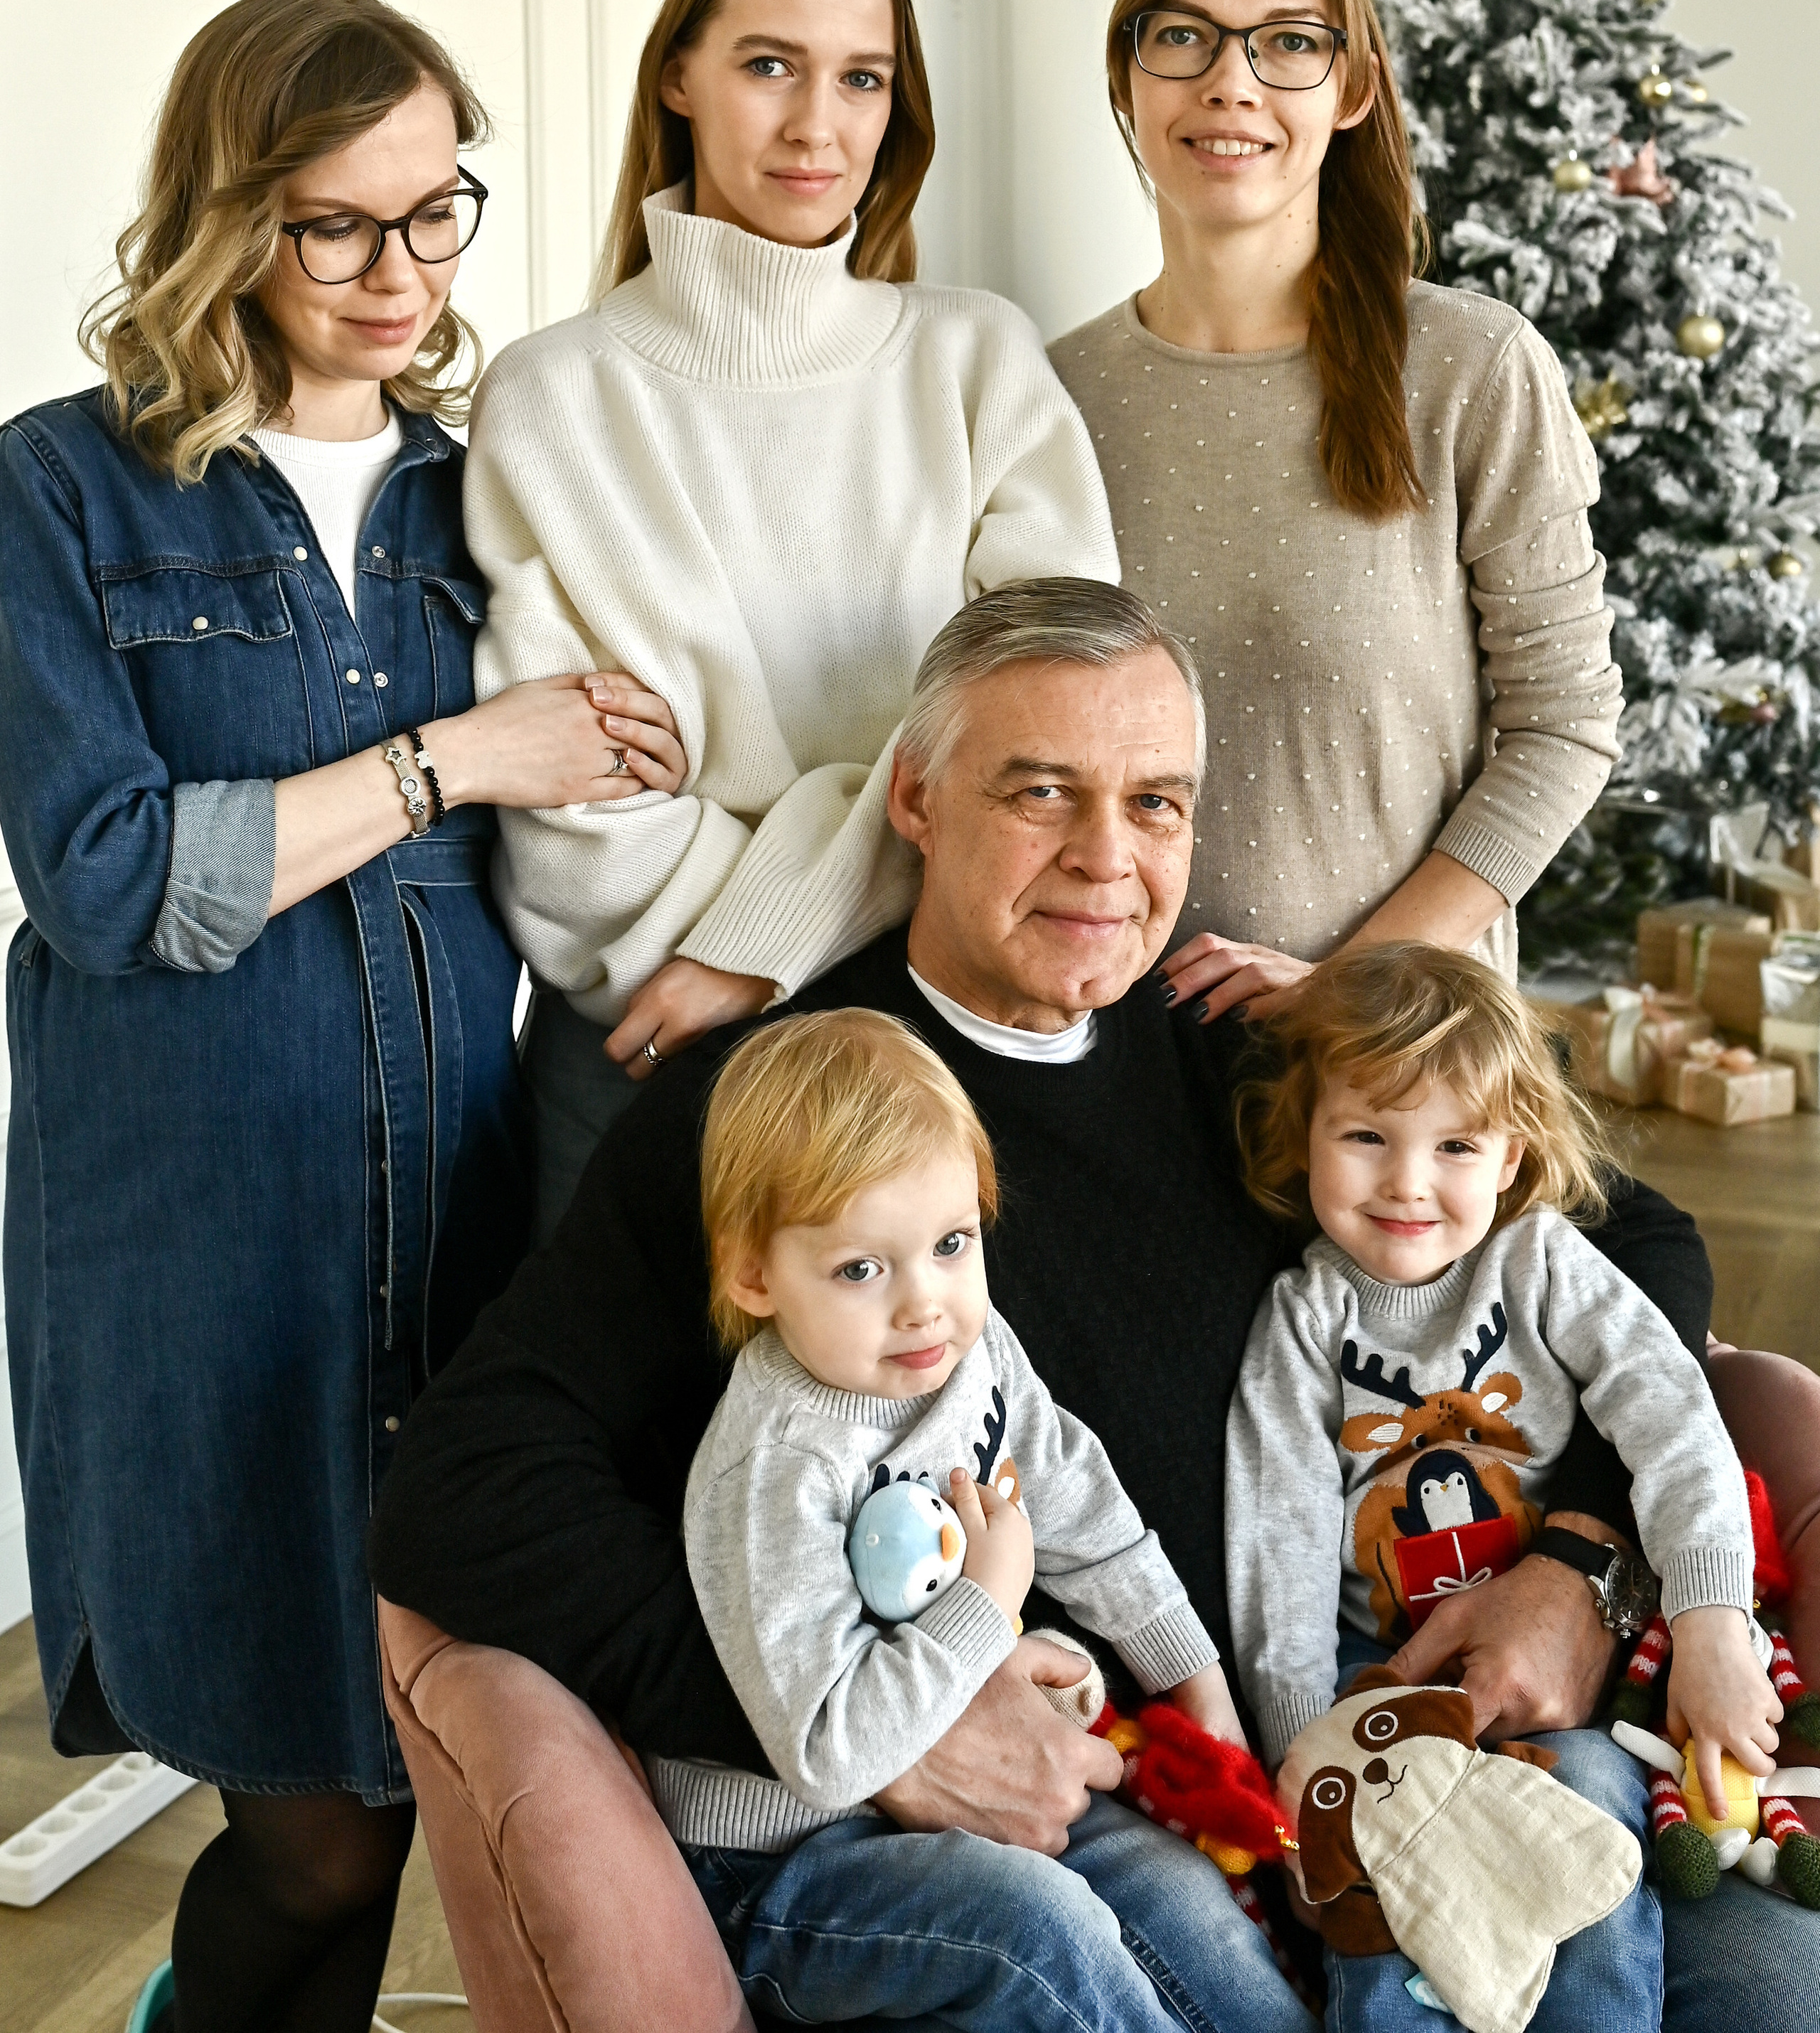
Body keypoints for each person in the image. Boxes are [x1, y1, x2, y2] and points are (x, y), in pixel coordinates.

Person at [368, 581, 1803, 2027]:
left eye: (1157, 803)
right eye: (1041, 793)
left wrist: (1580, 1565)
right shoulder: (784, 1110)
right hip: (1097, 1817)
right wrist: (869, 1732)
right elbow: (467, 1482)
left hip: (1385, 1722)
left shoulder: (1244, 1048)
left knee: (1774, 1990)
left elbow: (1635, 1242)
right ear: (918, 799)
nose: (1106, 859)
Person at [0, 0, 685, 2033]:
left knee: (426, 1780)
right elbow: (114, 878)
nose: (405, 276)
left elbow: (624, 801)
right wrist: (456, 761)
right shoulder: (60, 496)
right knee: (310, 1834)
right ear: (229, 221)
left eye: (440, 213)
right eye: (340, 228)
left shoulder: (490, 499)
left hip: (462, 1240)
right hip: (197, 1255)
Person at [464, 0, 1116, 1238]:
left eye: (862, 78)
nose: (819, 124)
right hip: (647, 1058)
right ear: (681, 78)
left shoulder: (976, 360)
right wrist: (881, 813)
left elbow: (1053, 759)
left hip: (940, 1050)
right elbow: (575, 827)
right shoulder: (557, 397)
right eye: (770, 66)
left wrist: (756, 949)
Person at [1047, 0, 1622, 1027]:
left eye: (1288, 45)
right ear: (1127, 74)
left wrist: (1347, 984)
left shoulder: (1469, 367)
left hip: (1396, 1066)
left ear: (1353, 89)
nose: (1230, 82)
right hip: (1126, 1057)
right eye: (1184, 37)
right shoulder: (1053, 394)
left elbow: (1565, 727)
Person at [668, 1005, 1300, 2033]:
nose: (926, 1305)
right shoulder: (777, 1464)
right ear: (753, 1274)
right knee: (1038, 1927)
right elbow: (831, 1752)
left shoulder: (971, 1351)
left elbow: (1079, 1497)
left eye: (953, 1244)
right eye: (861, 1269)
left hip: (944, 1815)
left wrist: (1195, 1679)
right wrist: (986, 1600)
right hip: (790, 1867)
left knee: (1174, 1886)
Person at [1226, 943, 1779, 2030]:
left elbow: (1675, 1420)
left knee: (1581, 1844)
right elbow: (1277, 1542)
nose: (1408, 1182)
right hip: (1380, 1685)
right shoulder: (1302, 1322)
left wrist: (1714, 1623)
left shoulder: (1544, 1263)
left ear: (1511, 1150)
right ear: (1306, 1139)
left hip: (1561, 1686)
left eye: (1455, 1144)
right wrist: (1305, 1746)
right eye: (1367, 1137)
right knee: (1386, 1905)